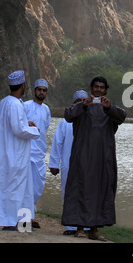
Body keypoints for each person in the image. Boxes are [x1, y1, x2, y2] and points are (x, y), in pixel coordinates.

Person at [62, 76, 127, 241]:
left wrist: (109, 107)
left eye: (101, 87)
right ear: (91, 89)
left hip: (102, 159)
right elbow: (68, 115)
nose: (98, 90)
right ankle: (79, 228)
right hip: (82, 157)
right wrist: (83, 105)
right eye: (96, 87)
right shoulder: (81, 105)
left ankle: (94, 230)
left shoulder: (109, 108)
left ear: (105, 90)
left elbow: (122, 116)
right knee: (80, 190)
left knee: (99, 192)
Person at [0, 70, 40, 230]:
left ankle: (21, 221)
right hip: (15, 153)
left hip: (9, 150)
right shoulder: (15, 104)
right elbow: (17, 129)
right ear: (22, 85)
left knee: (17, 187)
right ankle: (10, 221)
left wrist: (25, 122)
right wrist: (35, 131)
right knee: (16, 187)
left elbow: (14, 124)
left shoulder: (5, 102)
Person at [49, 90, 89, 235]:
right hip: (68, 164)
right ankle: (71, 226)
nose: (81, 103)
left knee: (87, 194)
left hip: (87, 166)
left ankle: (87, 226)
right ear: (73, 104)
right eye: (78, 101)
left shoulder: (91, 120)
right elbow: (57, 143)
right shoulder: (65, 122)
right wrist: (54, 164)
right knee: (69, 193)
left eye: (84, 100)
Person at [23, 79, 51, 228]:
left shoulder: (46, 109)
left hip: (39, 152)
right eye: (39, 89)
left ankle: (30, 214)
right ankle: (26, 218)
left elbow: (44, 129)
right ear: (34, 91)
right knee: (26, 186)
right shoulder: (25, 105)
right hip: (27, 151)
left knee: (37, 186)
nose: (41, 92)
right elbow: (19, 123)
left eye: (44, 90)